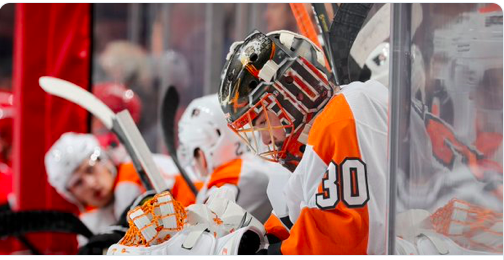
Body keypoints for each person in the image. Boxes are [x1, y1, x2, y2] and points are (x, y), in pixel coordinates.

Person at [217, 30, 389, 254]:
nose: (266, 138)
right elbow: (291, 220)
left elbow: (346, 242)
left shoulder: (346, 115)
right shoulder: (317, 138)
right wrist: (252, 239)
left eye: (261, 121)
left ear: (292, 89)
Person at [177, 94, 289, 223]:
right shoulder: (252, 165)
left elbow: (200, 236)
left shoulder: (229, 180)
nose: (195, 163)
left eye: (195, 155)